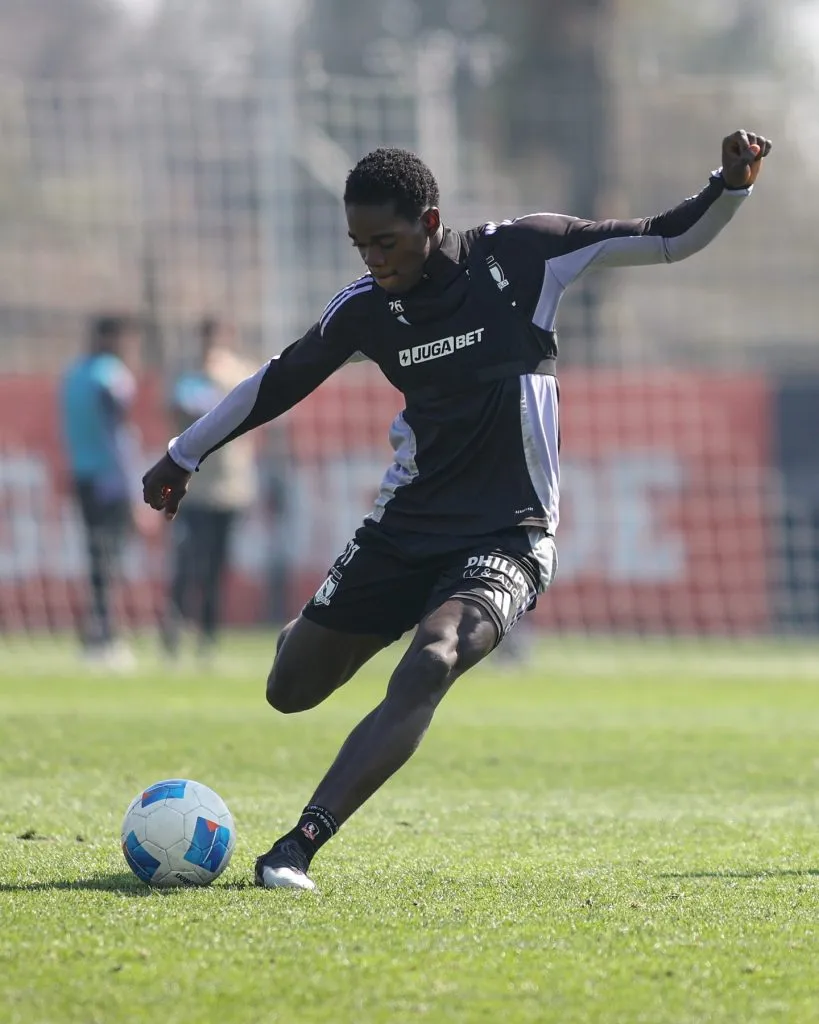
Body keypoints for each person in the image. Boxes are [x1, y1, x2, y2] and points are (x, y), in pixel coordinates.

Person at [142, 130, 771, 889]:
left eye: (386, 242)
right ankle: (324, 624)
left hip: (508, 533)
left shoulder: (524, 256)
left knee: (433, 659)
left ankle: (297, 846)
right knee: (290, 689)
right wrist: (183, 454)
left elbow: (664, 239)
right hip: (405, 528)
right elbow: (279, 379)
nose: (373, 260)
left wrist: (727, 185)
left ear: (431, 224)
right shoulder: (365, 310)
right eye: (359, 245)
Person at [160, 317, 257, 658]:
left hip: (230, 488)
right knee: (186, 562)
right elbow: (174, 410)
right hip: (191, 488)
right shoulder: (185, 373)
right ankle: (173, 632)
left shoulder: (241, 374)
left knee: (217, 566)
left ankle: (208, 637)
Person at [60, 313, 149, 669]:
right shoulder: (110, 376)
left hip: (84, 475)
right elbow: (117, 435)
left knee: (96, 556)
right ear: (114, 340)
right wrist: (134, 487)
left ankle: (97, 633)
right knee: (108, 559)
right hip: (110, 481)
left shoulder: (74, 375)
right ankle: (105, 636)